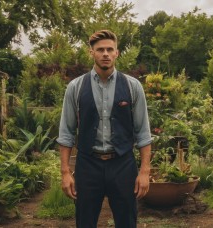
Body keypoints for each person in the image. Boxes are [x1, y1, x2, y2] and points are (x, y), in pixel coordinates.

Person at [56, 29, 152, 228]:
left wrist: (144, 171)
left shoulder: (133, 87)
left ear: (117, 53)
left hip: (123, 164)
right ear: (91, 53)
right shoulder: (75, 87)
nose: (105, 54)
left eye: (110, 49)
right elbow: (66, 132)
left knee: (127, 221)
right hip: (87, 165)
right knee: (85, 222)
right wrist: (65, 172)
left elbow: (143, 132)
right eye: (100, 50)